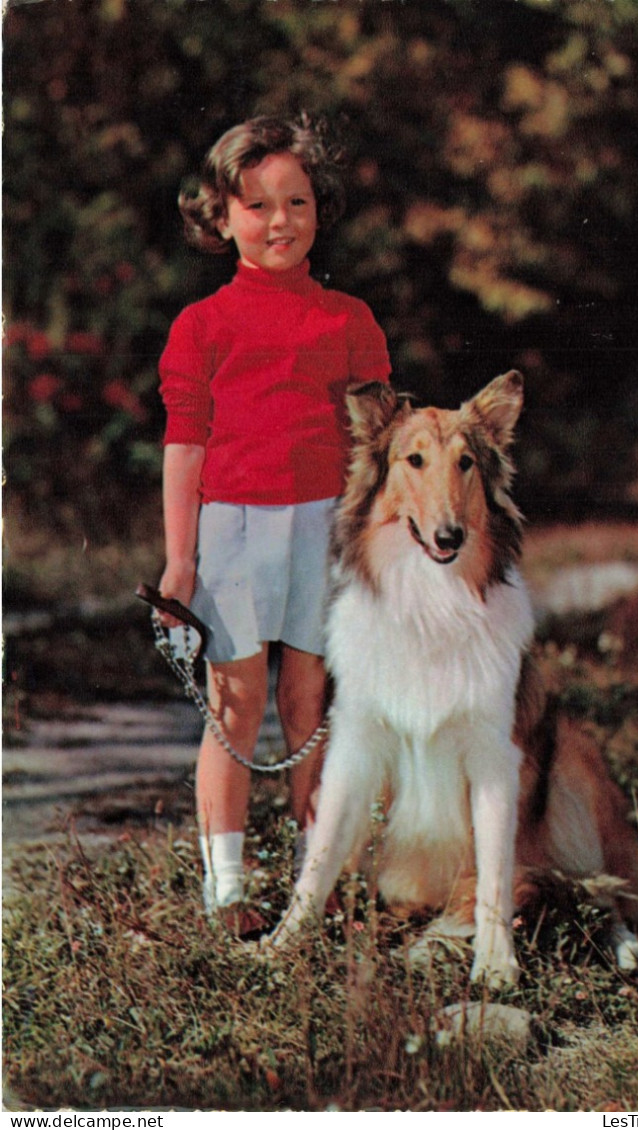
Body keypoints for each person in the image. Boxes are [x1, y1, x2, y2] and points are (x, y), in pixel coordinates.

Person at [156, 114, 392, 920]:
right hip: (232, 526)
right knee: (236, 701)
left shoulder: (349, 320)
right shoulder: (203, 325)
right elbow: (185, 447)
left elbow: (377, 448)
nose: (279, 221)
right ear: (221, 219)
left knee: (310, 697)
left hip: (324, 523)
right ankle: (225, 884)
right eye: (256, 205)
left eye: (295, 201)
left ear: (319, 209)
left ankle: (312, 872)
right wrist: (179, 562)